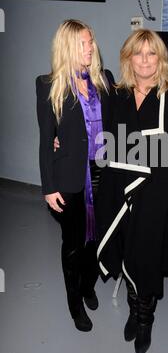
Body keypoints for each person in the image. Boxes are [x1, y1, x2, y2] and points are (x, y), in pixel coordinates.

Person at [95, 29, 168, 353]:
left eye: (152, 54)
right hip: (119, 189)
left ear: (160, 59)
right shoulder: (117, 94)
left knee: (146, 255)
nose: (146, 60)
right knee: (124, 249)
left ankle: (144, 319)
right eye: (139, 53)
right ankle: (133, 306)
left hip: (155, 193)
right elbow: (102, 136)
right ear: (128, 58)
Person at [36, 19, 115, 332]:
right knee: (74, 245)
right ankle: (75, 303)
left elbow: (129, 109)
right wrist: (48, 186)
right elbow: (45, 140)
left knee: (98, 241)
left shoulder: (104, 79)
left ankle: (88, 284)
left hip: (103, 174)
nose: (90, 47)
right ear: (69, 46)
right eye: (84, 42)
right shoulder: (48, 85)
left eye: (91, 41)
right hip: (69, 179)